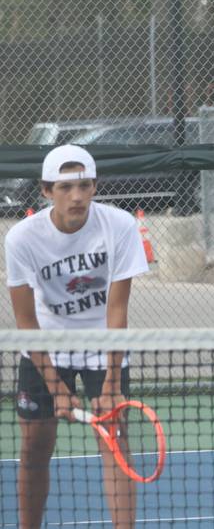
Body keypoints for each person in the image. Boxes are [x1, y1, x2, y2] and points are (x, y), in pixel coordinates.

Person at [5, 144, 149, 528]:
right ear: (46, 190)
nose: (77, 196)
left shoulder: (119, 227)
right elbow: (26, 322)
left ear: (95, 187)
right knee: (35, 447)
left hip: (105, 345)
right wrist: (55, 386)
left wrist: (112, 383)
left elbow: (117, 310)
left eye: (84, 185)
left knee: (115, 442)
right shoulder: (21, 239)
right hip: (45, 343)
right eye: (66, 187)